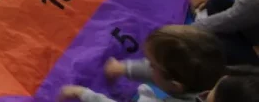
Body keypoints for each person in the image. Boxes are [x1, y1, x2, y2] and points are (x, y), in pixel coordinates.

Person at [58, 25, 225, 101]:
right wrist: (125, 68)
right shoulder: (215, 82)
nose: (147, 65)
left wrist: (82, 93)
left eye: (151, 64)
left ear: (175, 85)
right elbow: (162, 73)